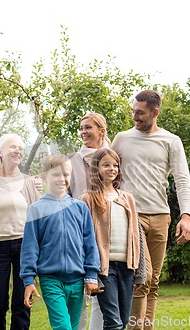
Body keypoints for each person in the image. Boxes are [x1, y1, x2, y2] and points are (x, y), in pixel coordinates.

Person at [111, 90, 190, 330]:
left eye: (140, 113)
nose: (135, 117)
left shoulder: (171, 141)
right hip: (131, 216)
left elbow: (182, 180)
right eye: (133, 111)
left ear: (155, 113)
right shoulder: (122, 139)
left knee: (153, 281)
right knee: (142, 278)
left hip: (160, 216)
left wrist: (186, 216)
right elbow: (105, 169)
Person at [20, 153, 101, 330]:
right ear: (44, 177)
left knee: (72, 326)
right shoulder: (36, 209)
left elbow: (90, 244)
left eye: (66, 174)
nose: (62, 179)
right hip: (51, 279)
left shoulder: (80, 207)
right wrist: (28, 280)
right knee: (63, 326)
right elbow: (29, 247)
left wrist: (91, 275)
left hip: (78, 280)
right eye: (56, 174)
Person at [80, 148, 146, 330]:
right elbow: (84, 237)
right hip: (103, 269)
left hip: (126, 267)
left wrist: (140, 272)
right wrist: (89, 274)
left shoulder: (128, 198)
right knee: (113, 321)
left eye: (115, 165)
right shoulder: (89, 198)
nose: (112, 169)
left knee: (123, 320)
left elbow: (137, 235)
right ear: (96, 169)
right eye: (106, 165)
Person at [0, 134, 41, 330]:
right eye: (12, 147)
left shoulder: (29, 183)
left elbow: (38, 216)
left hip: (25, 247)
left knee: (22, 302)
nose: (17, 151)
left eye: (20, 148)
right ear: (0, 152)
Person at [68, 112, 110, 330]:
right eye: (82, 128)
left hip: (108, 233)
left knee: (102, 292)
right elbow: (65, 196)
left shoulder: (112, 159)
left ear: (101, 131)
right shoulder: (73, 162)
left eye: (89, 128)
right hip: (79, 232)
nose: (83, 132)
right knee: (79, 293)